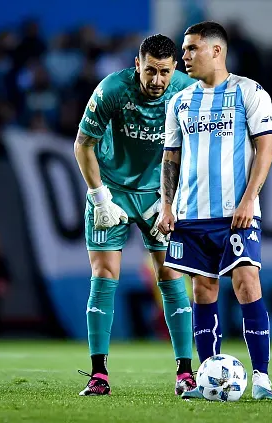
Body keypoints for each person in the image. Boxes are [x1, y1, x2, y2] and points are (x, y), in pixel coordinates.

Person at [158, 21, 272, 400]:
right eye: (183, 49)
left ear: (216, 51)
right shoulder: (179, 101)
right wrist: (166, 205)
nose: (184, 57)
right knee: (203, 290)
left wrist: (248, 199)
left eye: (191, 49)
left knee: (246, 283)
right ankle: (208, 377)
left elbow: (265, 150)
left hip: (236, 213)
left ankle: (261, 378)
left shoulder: (249, 92)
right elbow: (170, 158)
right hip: (191, 215)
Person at [74, 34, 198, 396]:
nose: (156, 80)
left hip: (156, 196)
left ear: (174, 68)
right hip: (111, 190)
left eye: (163, 72)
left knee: (170, 274)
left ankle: (184, 374)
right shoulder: (113, 89)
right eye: (149, 71)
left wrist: (172, 200)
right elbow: (83, 145)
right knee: (104, 274)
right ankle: (99, 376)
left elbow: (197, 149)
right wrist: (99, 198)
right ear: (136, 65)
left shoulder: (187, 92)